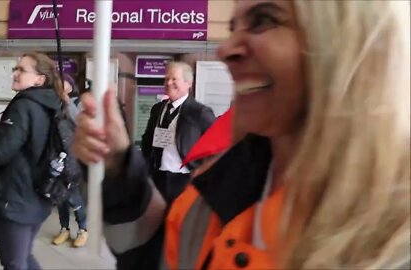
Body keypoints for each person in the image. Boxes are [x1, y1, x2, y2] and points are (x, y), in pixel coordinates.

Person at [73, 1, 410, 269]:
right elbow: (153, 256)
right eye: (233, 27)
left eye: (263, 19)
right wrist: (119, 165)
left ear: (348, 37)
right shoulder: (211, 195)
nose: (226, 49)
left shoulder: (394, 231)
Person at [0, 52, 64, 270]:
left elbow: (0, 153)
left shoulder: (24, 105)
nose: (15, 73)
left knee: (14, 263)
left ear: (39, 79)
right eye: (15, 69)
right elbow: (18, 141)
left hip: (15, 200)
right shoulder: (51, 104)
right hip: (38, 196)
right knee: (23, 258)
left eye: (22, 70)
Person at [141, 61, 215, 204]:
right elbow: (147, 140)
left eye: (174, 79)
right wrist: (148, 168)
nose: (168, 83)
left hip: (185, 180)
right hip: (158, 178)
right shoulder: (157, 109)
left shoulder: (199, 112)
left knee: (181, 222)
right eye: (166, 79)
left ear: (188, 83)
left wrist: (202, 172)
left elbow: (217, 146)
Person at [51, 73, 88, 248]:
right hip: (56, 154)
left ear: (70, 86)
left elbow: (80, 122)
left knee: (72, 194)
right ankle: (64, 228)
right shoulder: (54, 103)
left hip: (74, 155)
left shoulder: (78, 102)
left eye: (62, 83)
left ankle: (82, 228)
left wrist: (67, 100)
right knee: (59, 194)